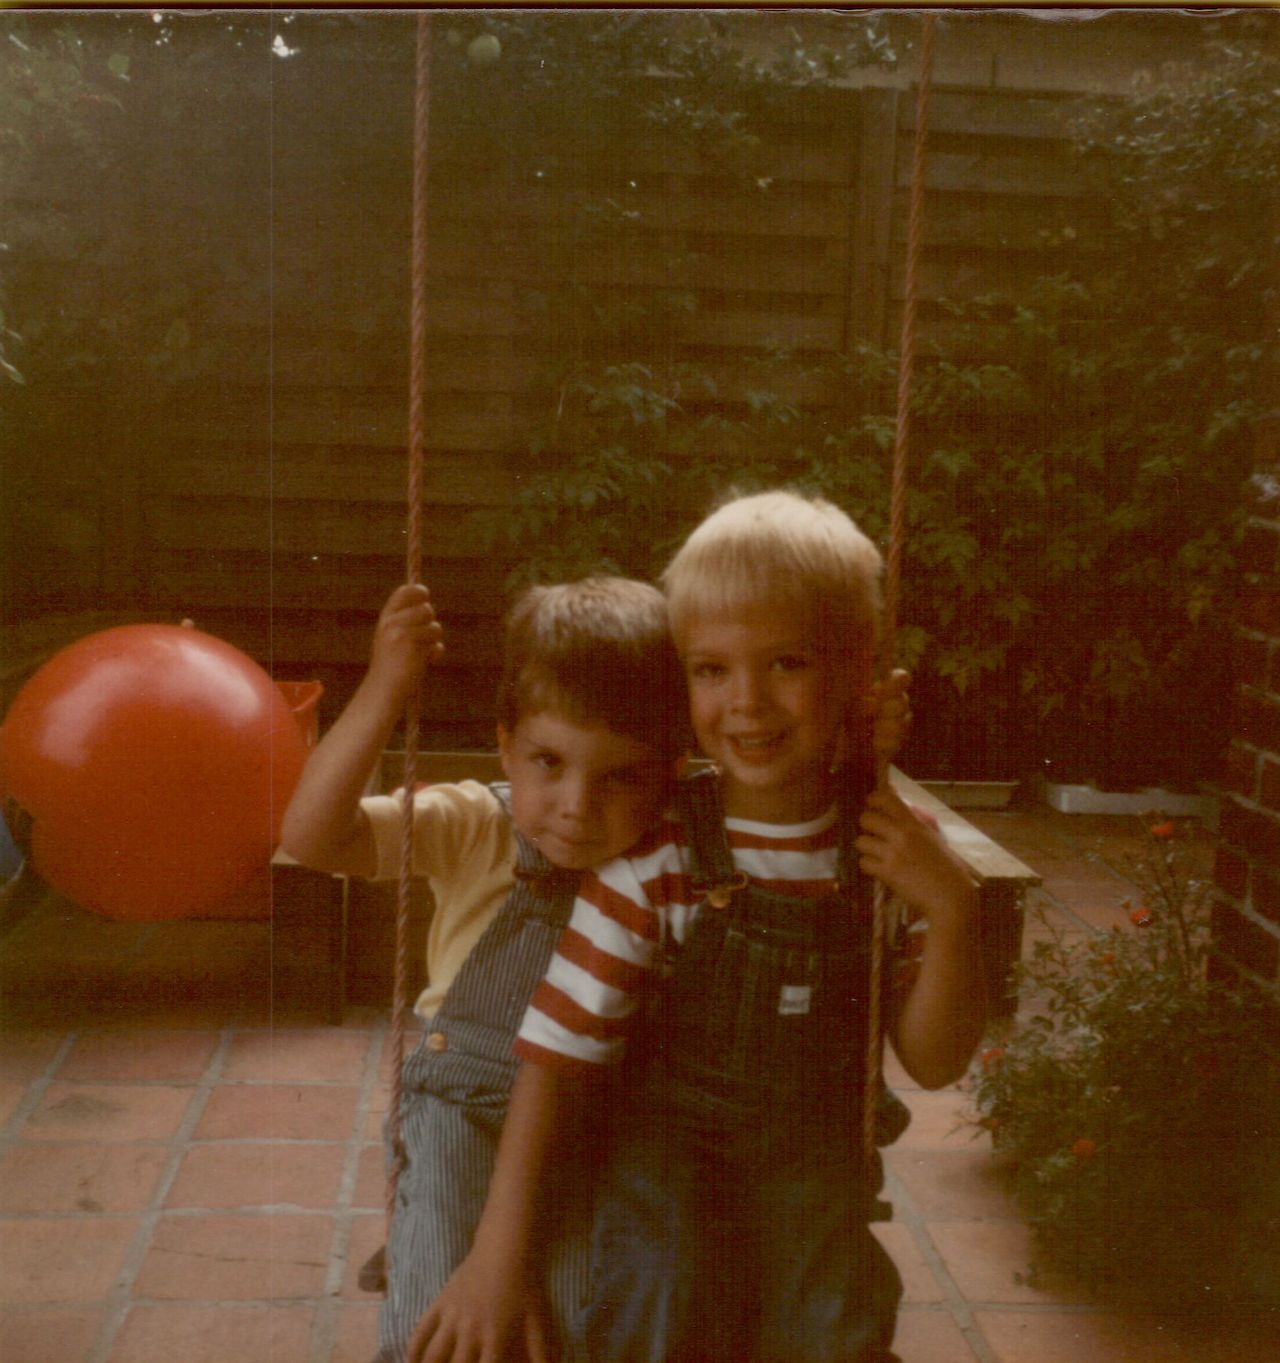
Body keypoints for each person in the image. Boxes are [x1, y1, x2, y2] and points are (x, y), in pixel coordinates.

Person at [412, 489, 983, 1363]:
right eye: (712, 669)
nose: (746, 701)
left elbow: (935, 1060)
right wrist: (499, 1253)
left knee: (834, 1337)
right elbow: (555, 1058)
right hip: (667, 1185)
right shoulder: (663, 855)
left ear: (857, 665)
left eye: (786, 662)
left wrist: (952, 906)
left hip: (816, 1183)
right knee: (658, 1320)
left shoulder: (891, 849)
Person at [280, 576, 686, 1363]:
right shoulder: (476, 824)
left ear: (671, 770)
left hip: (594, 1119)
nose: (576, 804)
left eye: (619, 774)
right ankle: (429, 1245)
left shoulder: (671, 849)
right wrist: (385, 687)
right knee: (444, 1324)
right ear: (505, 744)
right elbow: (311, 835)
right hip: (461, 1110)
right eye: (549, 761)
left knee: (576, 1319)